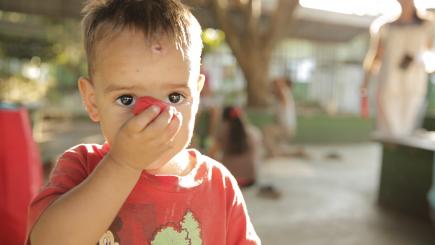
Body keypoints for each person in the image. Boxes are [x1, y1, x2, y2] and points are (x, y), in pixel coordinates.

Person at [26, 1, 260, 244]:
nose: (153, 115)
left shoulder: (218, 185)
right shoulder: (81, 167)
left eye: (175, 97)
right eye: (126, 99)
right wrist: (122, 164)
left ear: (197, 96)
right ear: (92, 101)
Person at [361, 0, 435, 137]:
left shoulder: (428, 25)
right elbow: (375, 56)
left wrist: (419, 59)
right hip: (389, 85)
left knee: (408, 130)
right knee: (391, 130)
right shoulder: (384, 27)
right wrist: (364, 85)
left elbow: (430, 51)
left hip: (414, 86)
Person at [209, 106, 281, 199]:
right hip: (250, 180)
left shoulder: (222, 131)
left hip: (228, 181)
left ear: (224, 119)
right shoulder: (254, 132)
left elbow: (211, 156)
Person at [263, 77, 299, 158]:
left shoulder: (284, 92)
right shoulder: (281, 96)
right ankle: (279, 152)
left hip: (286, 128)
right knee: (269, 131)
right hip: (284, 127)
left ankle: (274, 153)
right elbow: (272, 93)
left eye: (275, 85)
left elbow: (278, 91)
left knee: (266, 130)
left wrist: (279, 84)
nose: (273, 87)